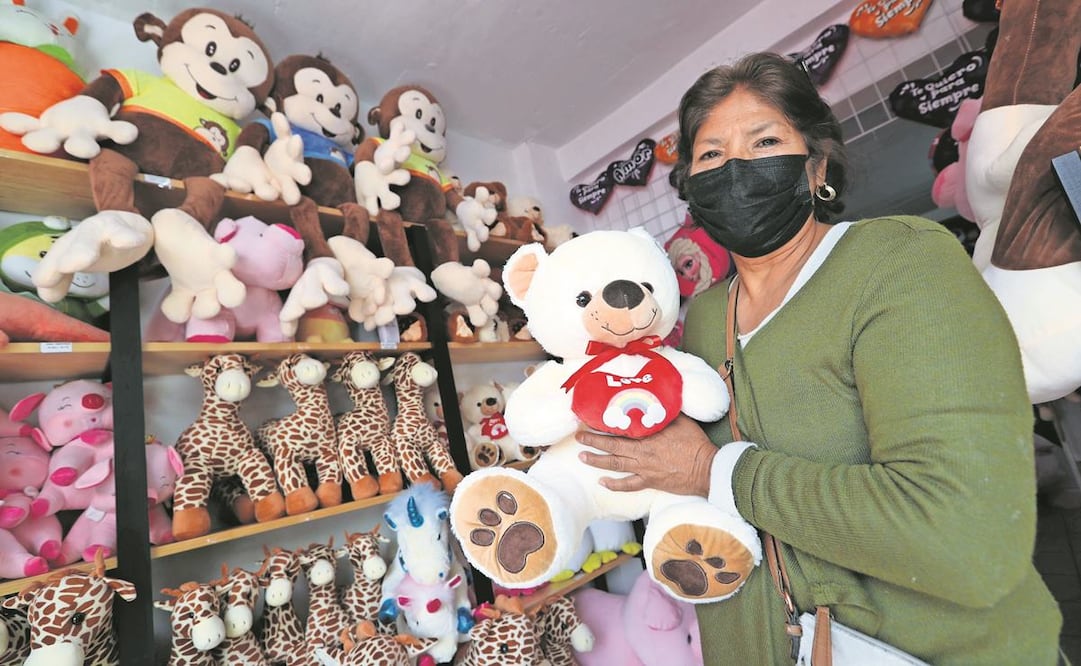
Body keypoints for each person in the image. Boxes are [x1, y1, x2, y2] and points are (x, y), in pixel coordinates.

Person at [577, 52, 1063, 665]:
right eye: (711, 154)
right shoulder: (703, 317)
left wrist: (713, 471)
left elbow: (967, 537)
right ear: (695, 189)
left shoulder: (900, 262)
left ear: (816, 167)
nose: (735, 168)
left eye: (764, 141)